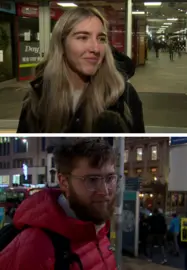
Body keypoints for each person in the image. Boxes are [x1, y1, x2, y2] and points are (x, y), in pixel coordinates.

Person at [16, 7, 145, 133]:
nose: (95, 48)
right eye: (83, 37)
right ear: (62, 44)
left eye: (101, 39)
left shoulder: (124, 96)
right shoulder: (38, 96)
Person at [0, 138, 118, 269]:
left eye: (110, 178)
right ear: (64, 182)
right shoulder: (37, 247)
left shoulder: (97, 230)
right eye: (92, 180)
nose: (105, 191)